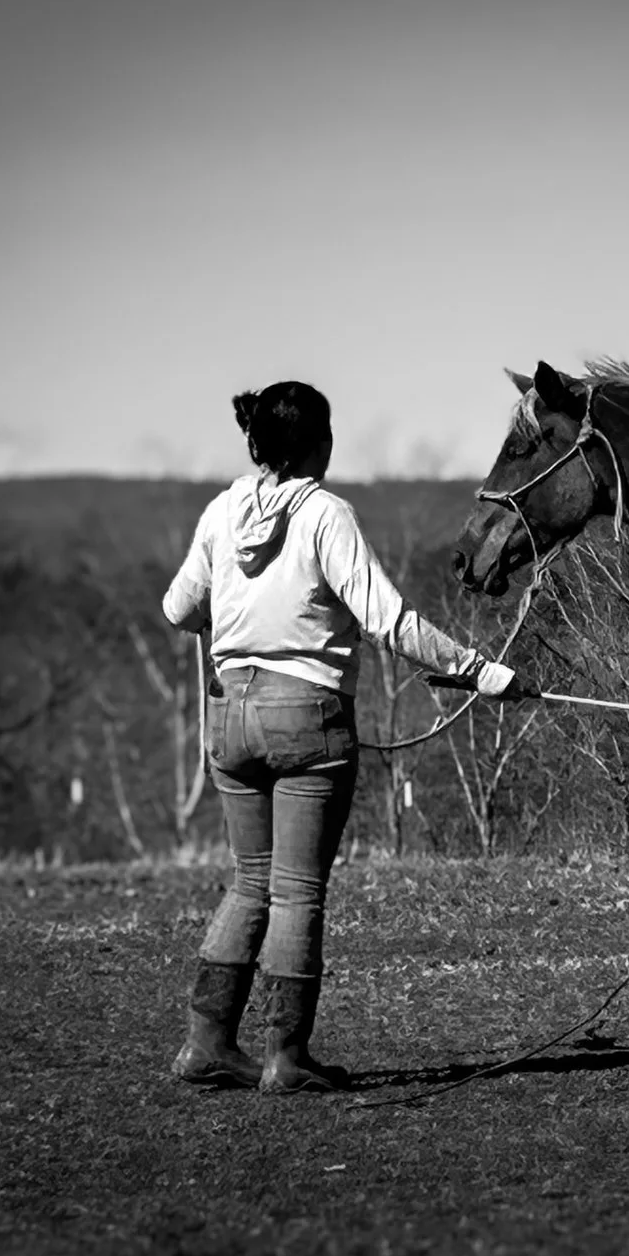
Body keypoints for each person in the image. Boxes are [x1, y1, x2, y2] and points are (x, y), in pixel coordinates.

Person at [162, 380, 532, 1093]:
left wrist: (238, 621)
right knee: (298, 892)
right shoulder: (326, 515)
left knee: (250, 884)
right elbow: (388, 621)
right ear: (318, 446)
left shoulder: (221, 509)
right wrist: (481, 672)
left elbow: (179, 609)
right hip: (307, 720)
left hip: (229, 717)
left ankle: (206, 1044)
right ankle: (285, 1059)